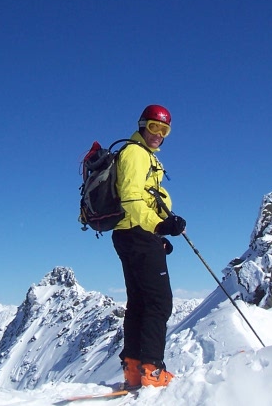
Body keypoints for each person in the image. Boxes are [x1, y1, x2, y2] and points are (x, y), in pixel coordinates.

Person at [112, 104, 187, 388]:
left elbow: (140, 201)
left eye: (164, 130)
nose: (158, 134)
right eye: (154, 127)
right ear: (142, 125)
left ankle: (133, 368)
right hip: (137, 233)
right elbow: (131, 198)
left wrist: (158, 237)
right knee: (158, 303)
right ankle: (152, 371)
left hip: (131, 234)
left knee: (140, 302)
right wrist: (158, 226)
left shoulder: (141, 155)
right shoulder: (135, 153)